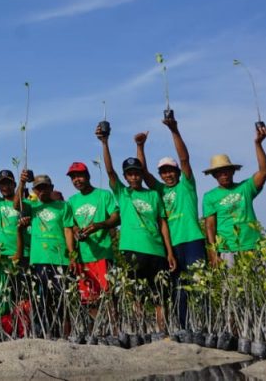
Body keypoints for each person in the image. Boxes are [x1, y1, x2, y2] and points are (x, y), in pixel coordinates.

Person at [99, 126, 176, 332]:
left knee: (160, 296)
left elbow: (162, 224)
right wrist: (105, 143)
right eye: (130, 174)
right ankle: (140, 332)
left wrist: (169, 251)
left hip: (157, 251)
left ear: (141, 174)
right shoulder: (123, 194)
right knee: (137, 296)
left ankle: (163, 332)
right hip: (132, 251)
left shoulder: (153, 195)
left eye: (137, 173)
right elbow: (109, 170)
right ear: (125, 177)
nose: (134, 177)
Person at [134, 115, 206, 327]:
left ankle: (204, 325)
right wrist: (140, 146)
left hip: (192, 240)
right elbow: (143, 173)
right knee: (178, 288)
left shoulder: (187, 186)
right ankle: (183, 327)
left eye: (170, 171)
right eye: (163, 172)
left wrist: (174, 130)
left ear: (177, 172)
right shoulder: (159, 190)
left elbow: (184, 160)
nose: (167, 175)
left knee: (199, 284)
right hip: (170, 246)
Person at [17, 171, 78, 338]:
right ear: (34, 190)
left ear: (52, 188)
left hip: (60, 259)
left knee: (61, 301)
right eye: (38, 188)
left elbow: (68, 231)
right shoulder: (32, 206)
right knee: (41, 300)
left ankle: (64, 336)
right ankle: (44, 335)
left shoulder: (63, 206)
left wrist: (72, 256)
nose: (42, 191)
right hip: (39, 260)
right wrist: (21, 183)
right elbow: (16, 205)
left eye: (45, 187)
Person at [202, 123, 266, 266]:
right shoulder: (209, 196)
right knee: (231, 288)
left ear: (233, 171)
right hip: (227, 250)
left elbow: (264, 172)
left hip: (253, 246)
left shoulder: (245, 188)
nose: (224, 174)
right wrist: (213, 253)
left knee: (257, 287)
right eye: (219, 172)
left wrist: (258, 143)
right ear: (214, 175)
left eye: (226, 170)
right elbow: (210, 227)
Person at [65, 161, 120, 309]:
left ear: (88, 176)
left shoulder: (104, 195)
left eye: (80, 176)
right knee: (89, 300)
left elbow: (116, 218)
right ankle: (96, 332)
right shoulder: (71, 201)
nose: (77, 180)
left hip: (103, 254)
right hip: (83, 258)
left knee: (109, 296)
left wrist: (98, 226)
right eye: (73, 177)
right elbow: (70, 225)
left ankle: (115, 331)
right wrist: (77, 231)